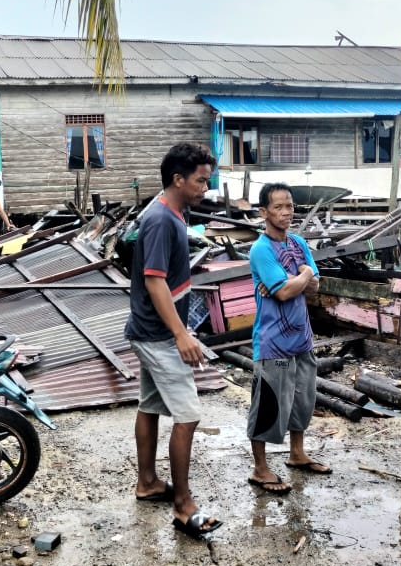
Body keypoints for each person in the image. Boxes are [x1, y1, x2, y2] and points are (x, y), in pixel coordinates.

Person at [124, 142, 221, 541]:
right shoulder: (163, 220)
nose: (205, 187)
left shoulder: (168, 213)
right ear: (178, 179)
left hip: (149, 329)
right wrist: (181, 334)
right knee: (187, 415)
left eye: (207, 180)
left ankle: (147, 482)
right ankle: (183, 506)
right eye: (200, 180)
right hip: (160, 335)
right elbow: (154, 280)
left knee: (150, 405)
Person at [245, 182, 327, 496]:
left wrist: (300, 281)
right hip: (272, 341)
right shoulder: (261, 249)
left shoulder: (297, 242)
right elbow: (284, 291)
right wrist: (302, 276)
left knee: (302, 400)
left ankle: (297, 453)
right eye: (278, 207)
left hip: (301, 338)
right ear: (264, 212)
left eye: (289, 206)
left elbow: (315, 287)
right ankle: (260, 468)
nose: (285, 213)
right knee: (268, 404)